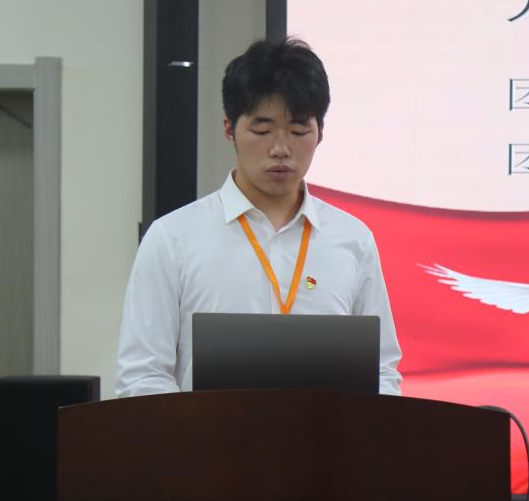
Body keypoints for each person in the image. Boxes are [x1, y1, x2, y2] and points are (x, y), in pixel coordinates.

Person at [115, 37, 401, 397]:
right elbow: (143, 375)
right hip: (209, 434)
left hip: (327, 435)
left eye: (298, 131)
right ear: (229, 129)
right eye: (262, 130)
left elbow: (381, 371)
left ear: (320, 132)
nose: (280, 149)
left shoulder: (352, 240)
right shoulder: (173, 239)